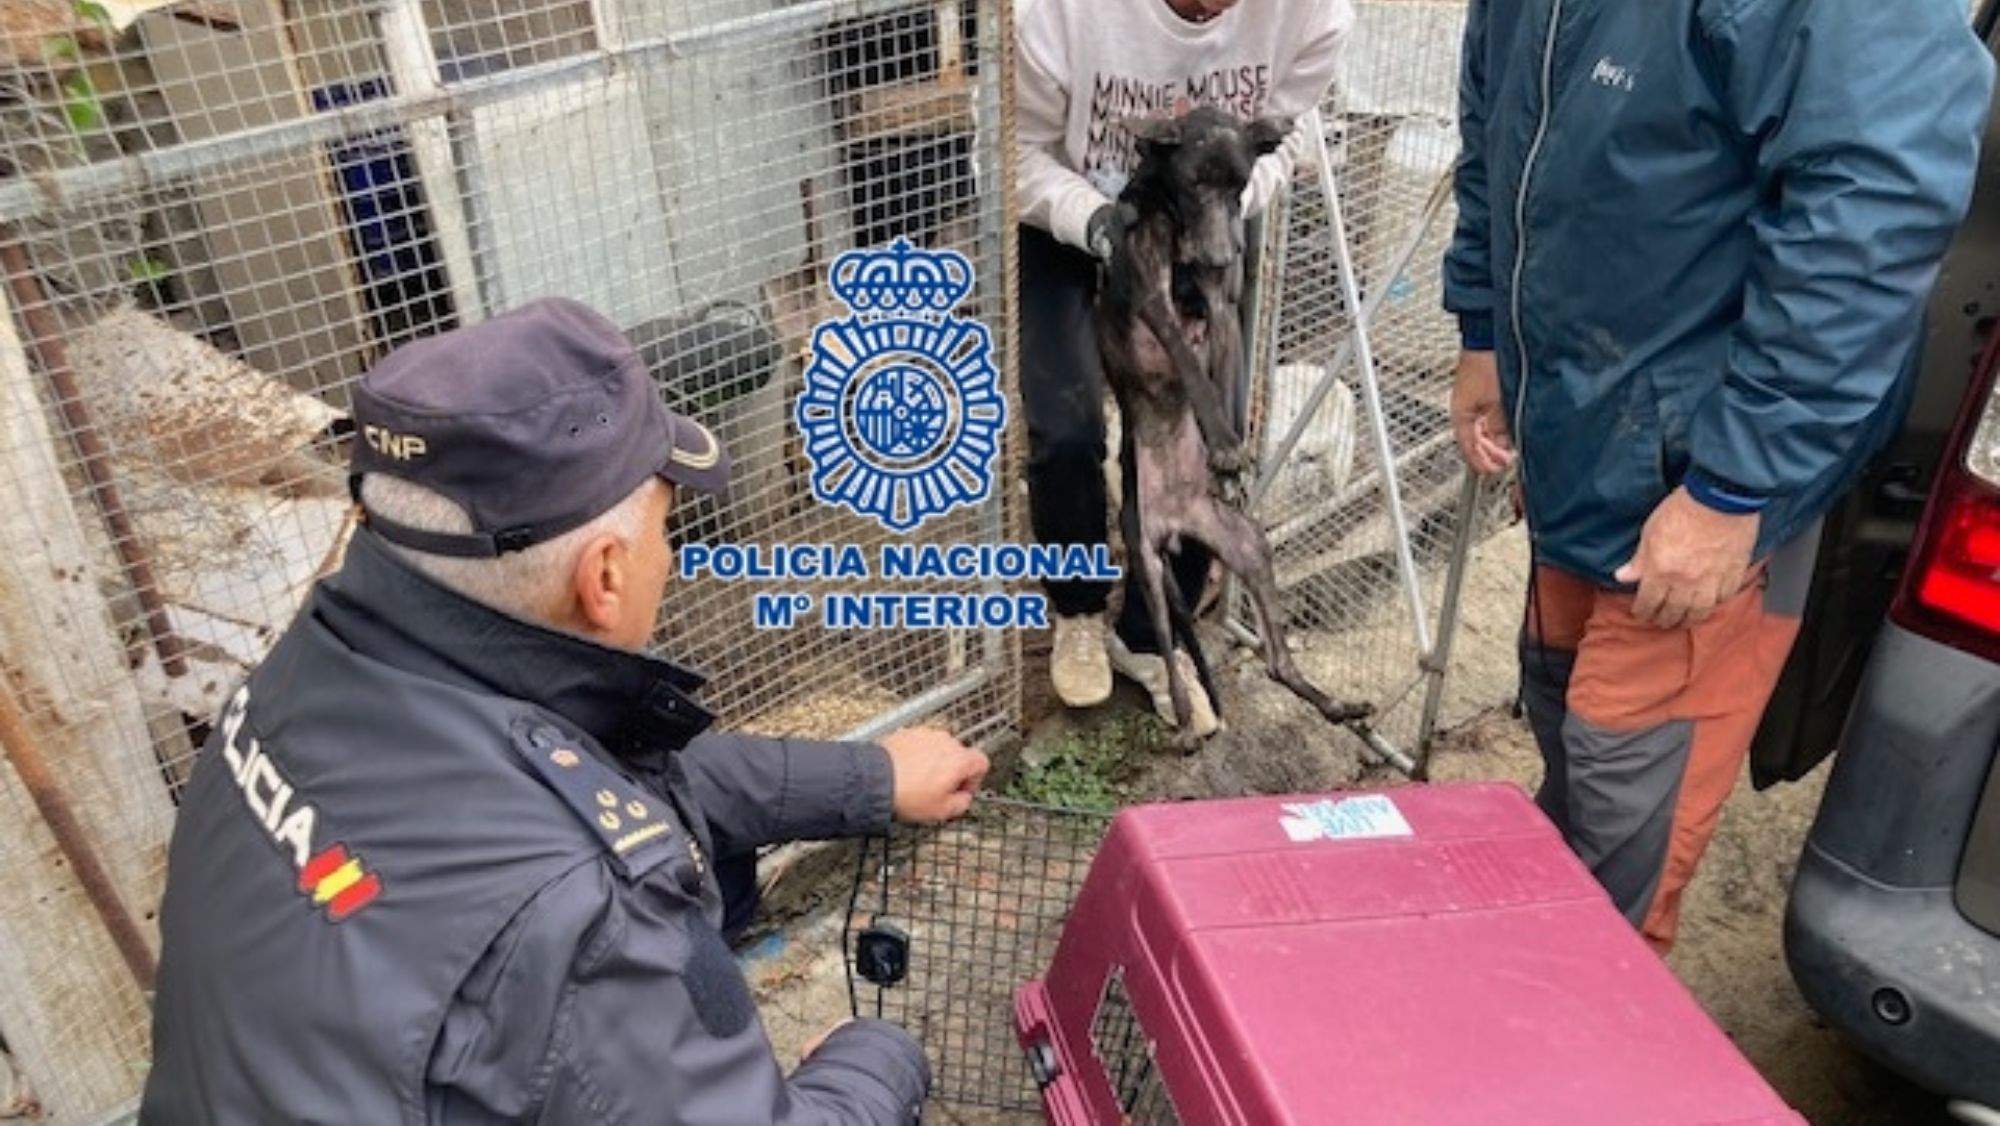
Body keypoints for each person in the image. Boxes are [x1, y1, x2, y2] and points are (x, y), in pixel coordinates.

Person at [141, 298, 989, 1123]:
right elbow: (589, 857)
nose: (670, 550)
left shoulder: (322, 668)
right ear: (606, 575)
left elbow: (601, 786)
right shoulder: (584, 923)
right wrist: (872, 1058)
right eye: (668, 526)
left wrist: (869, 777)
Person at [1444, 0, 1992, 951]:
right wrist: (1483, 327)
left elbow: (1872, 206)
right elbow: (1496, 118)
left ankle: (1592, 1037)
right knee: (1563, 724)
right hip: (1581, 432)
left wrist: (1734, 486)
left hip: (1702, 480)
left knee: (1622, 839)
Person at [1015, 0, 1352, 734]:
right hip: (1077, 215)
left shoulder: (1315, 14)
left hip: (1207, 226)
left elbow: (1290, 136)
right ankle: (1077, 609)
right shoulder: (1058, 13)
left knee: (1208, 439)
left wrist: (1223, 203)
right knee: (1066, 427)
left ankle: (1149, 634)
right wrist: (1097, 223)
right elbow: (1016, 151)